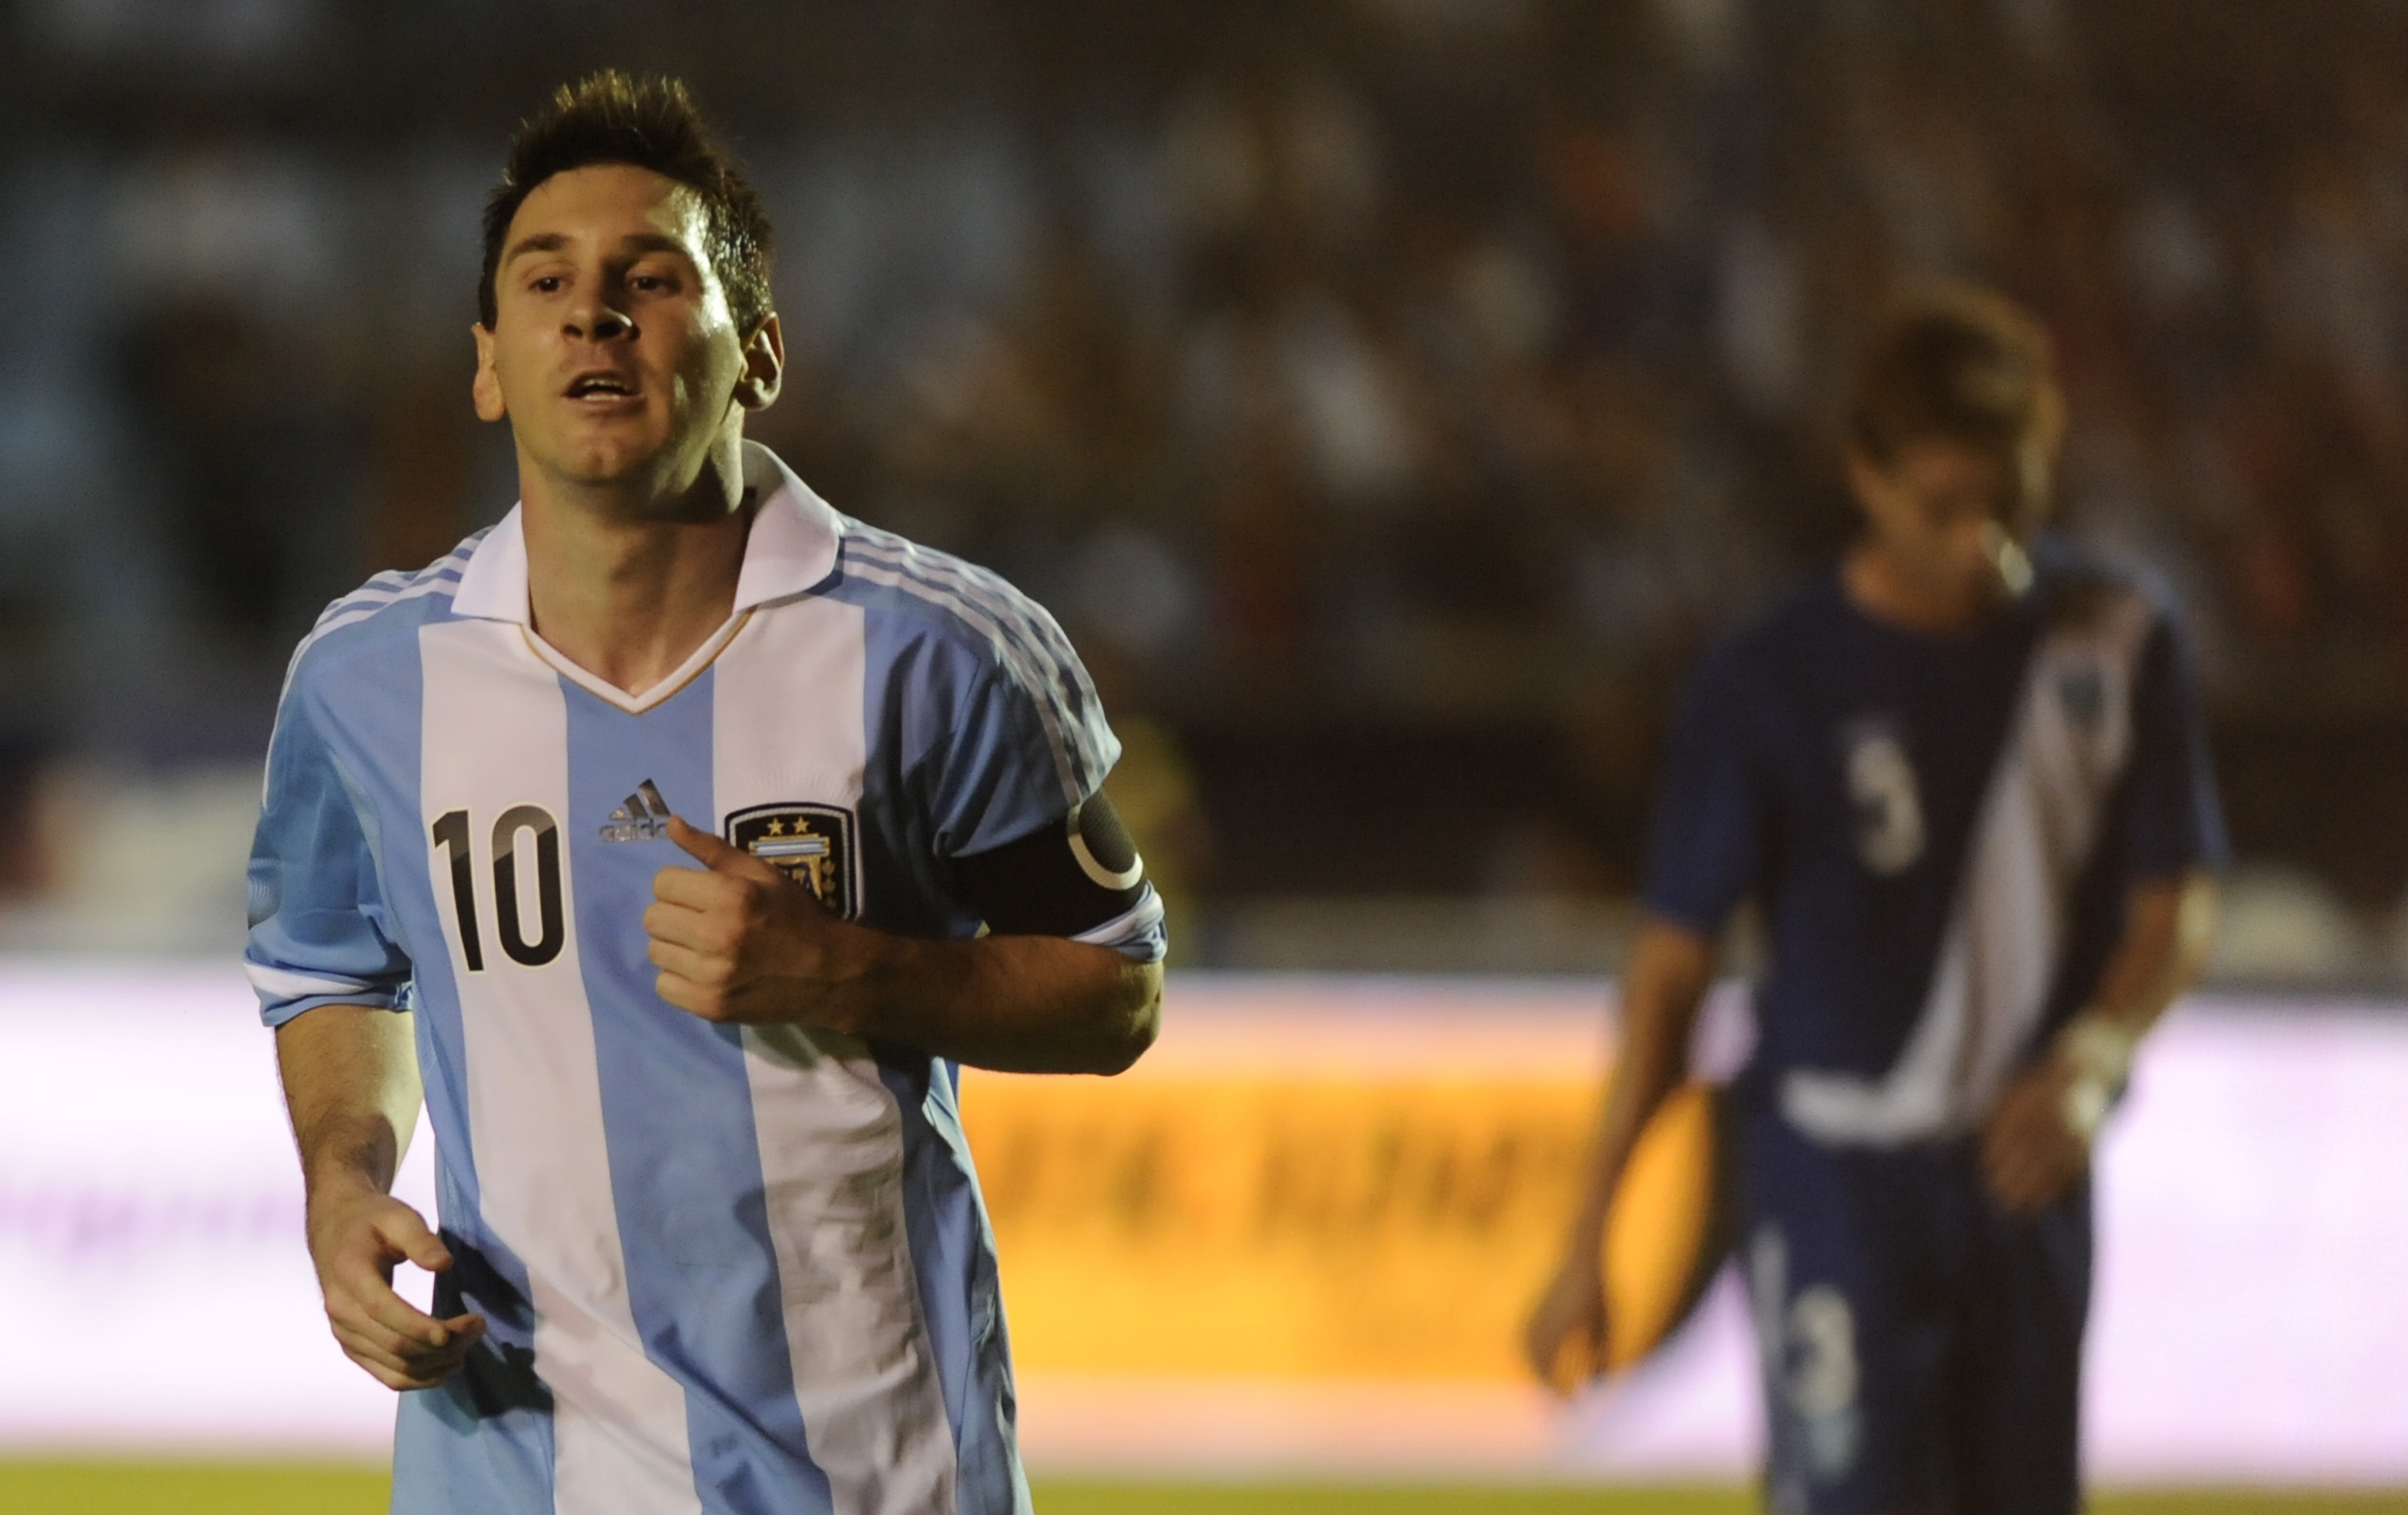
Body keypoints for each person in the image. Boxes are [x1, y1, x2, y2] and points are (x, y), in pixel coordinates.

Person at [246, 72, 1165, 1515]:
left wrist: (850, 970)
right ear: (489, 365)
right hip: (509, 1466)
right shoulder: (368, 676)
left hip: (871, 1470)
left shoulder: (939, 649)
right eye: (545, 279)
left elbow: (1117, 994)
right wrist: (342, 1184)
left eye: (651, 278)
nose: (593, 312)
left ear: (762, 357)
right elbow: (329, 966)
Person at [1523, 286, 2223, 1515]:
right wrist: (1591, 1239)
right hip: (1830, 1180)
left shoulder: (2110, 643)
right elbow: (1670, 978)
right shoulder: (1766, 678)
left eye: (2006, 501)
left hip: (2022, 1186)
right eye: (1942, 508)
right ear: (1865, 477)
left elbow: (2178, 902)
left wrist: (2097, 1053)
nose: (1981, 544)